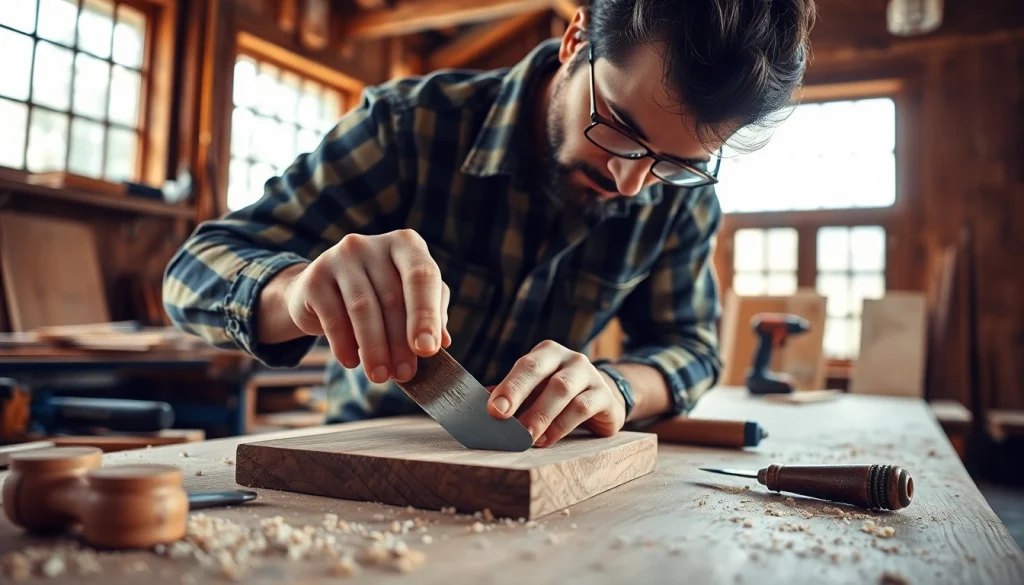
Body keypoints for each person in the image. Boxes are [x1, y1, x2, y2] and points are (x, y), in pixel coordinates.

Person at [163, 0, 816, 447]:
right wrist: (297, 293)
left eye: (674, 162)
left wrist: (618, 386)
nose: (631, 182)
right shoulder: (409, 129)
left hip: (543, 488)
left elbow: (693, 348)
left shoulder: (683, 199)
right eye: (617, 129)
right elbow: (192, 270)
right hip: (362, 466)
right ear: (577, 37)